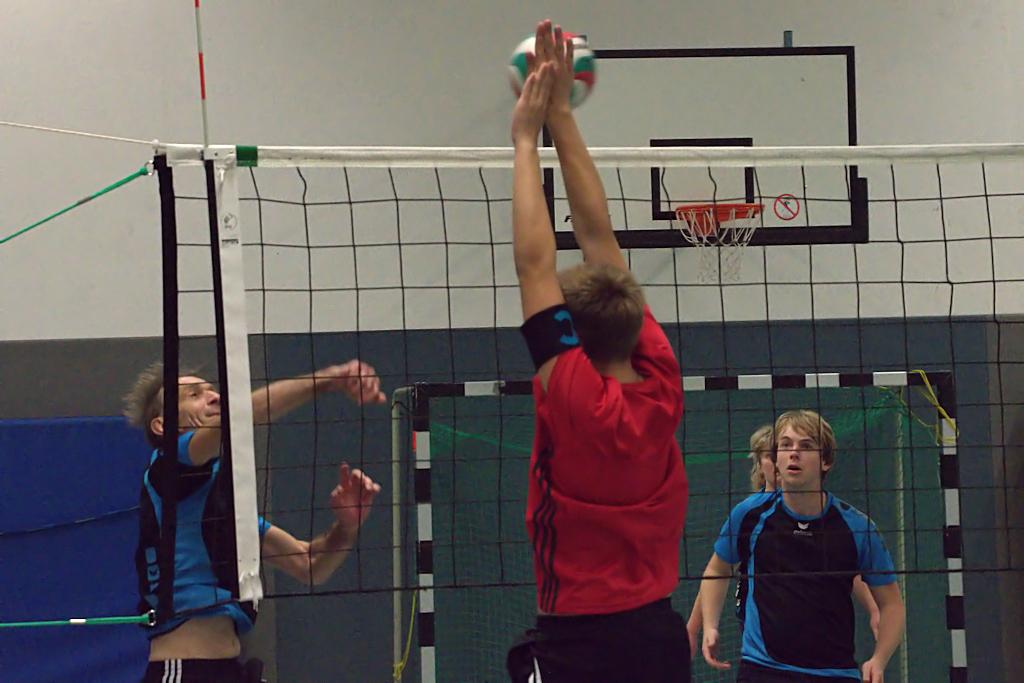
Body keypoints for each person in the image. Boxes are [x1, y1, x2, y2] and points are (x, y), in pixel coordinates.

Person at [505, 20, 689, 683]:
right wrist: (559, 120)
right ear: (633, 321)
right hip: (658, 634)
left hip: (577, 641)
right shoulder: (661, 382)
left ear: (574, 338)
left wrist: (526, 136)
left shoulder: (575, 393)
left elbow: (537, 259)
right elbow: (597, 237)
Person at [123, 360, 386, 683]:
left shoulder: (220, 509)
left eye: (212, 390)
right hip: (184, 671)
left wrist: (346, 527)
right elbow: (239, 421)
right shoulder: (168, 468)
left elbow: (310, 564)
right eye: (194, 394)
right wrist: (327, 379)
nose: (214, 397)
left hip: (231, 668)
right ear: (163, 425)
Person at [698, 410, 905, 682]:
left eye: (806, 446)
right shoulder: (750, 514)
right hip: (764, 668)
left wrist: (879, 660)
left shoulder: (856, 527)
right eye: (785, 445)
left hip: (834, 673)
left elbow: (892, 605)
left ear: (826, 461)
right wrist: (710, 625)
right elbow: (717, 568)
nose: (793, 453)